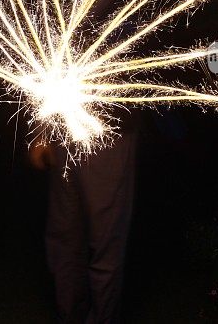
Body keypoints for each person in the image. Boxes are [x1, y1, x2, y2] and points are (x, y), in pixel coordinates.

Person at [29, 113, 140, 324]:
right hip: (65, 131)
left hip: (109, 134)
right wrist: (41, 131)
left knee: (105, 244)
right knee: (64, 238)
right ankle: (69, 316)